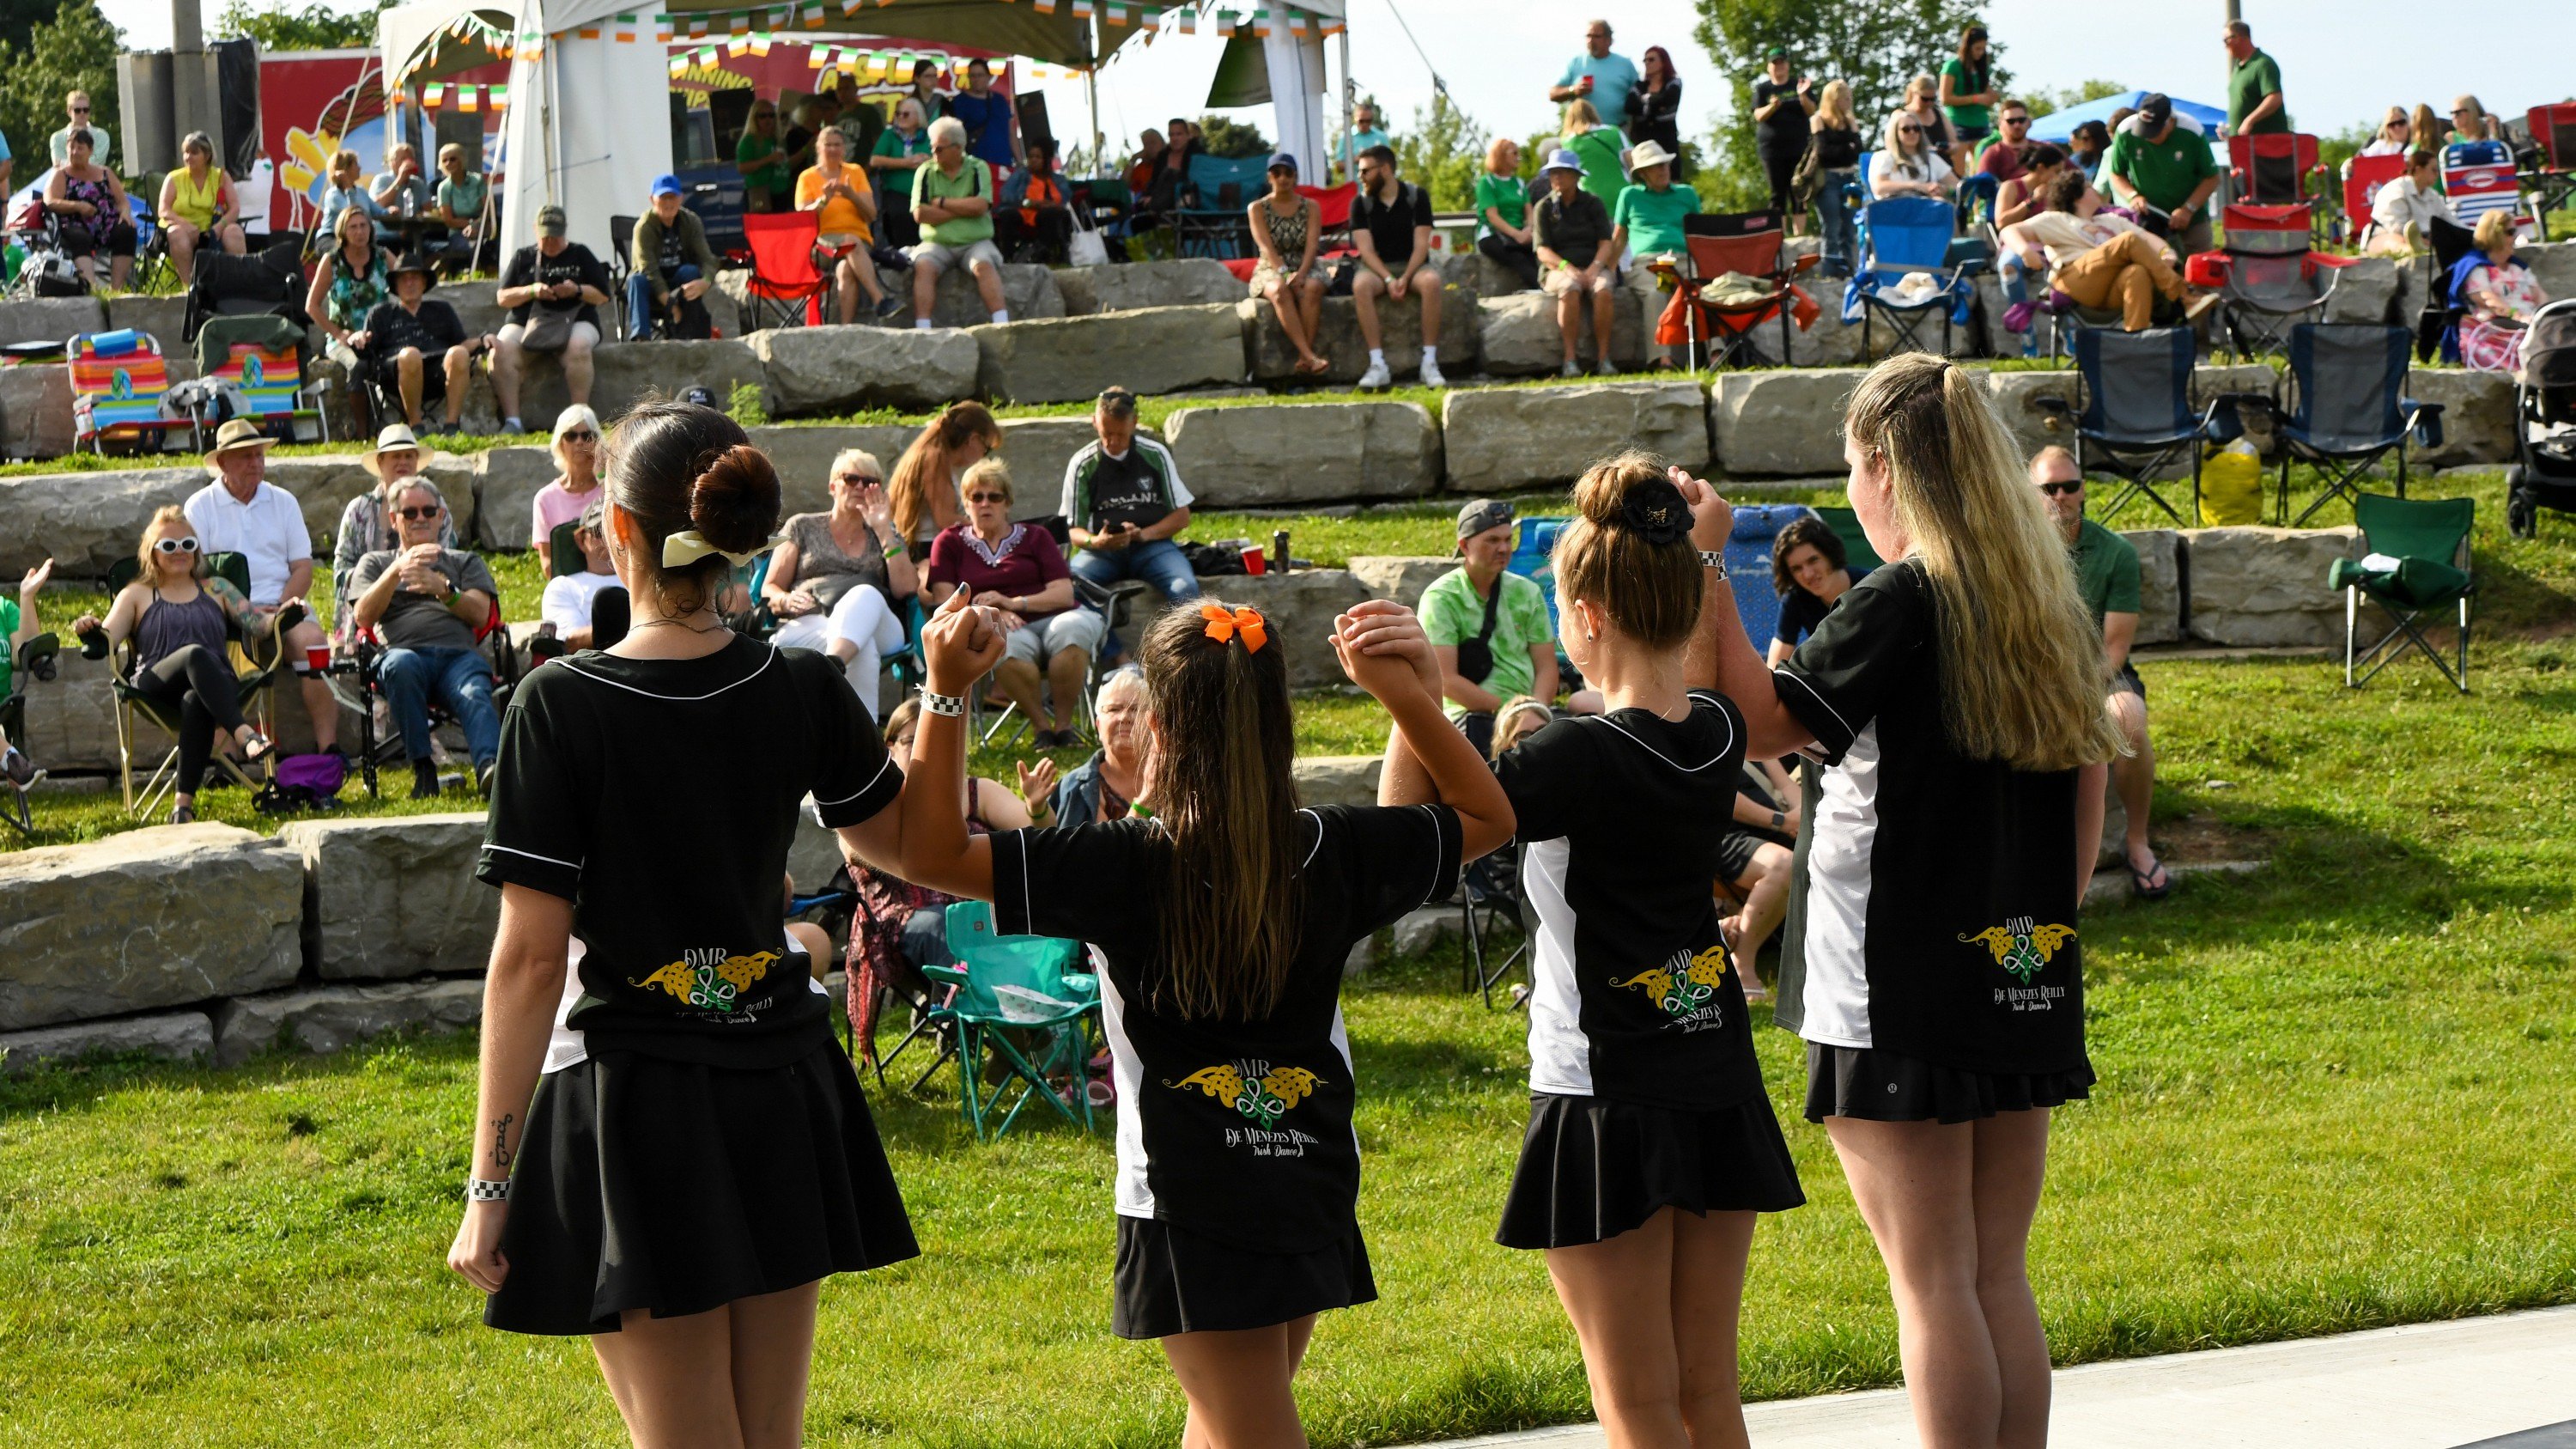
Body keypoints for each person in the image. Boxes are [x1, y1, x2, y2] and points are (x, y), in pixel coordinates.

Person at [893, 577, 1511, 1446]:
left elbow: (928, 852)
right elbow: (1487, 815)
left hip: (1190, 1199)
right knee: (1228, 1421)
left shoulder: (1122, 863)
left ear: (1161, 729)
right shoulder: (1330, 848)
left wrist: (946, 691)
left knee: (1246, 1425)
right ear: (1280, 722)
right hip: (1306, 1172)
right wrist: (1410, 696)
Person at [449, 403, 919, 1449]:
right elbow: (912, 846)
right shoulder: (799, 682)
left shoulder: (559, 703)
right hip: (780, 1085)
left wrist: (488, 1185)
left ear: (617, 528)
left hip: (638, 1103)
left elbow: (528, 962)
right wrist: (952, 700)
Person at [1696, 352, 2118, 1449]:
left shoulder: (1903, 595)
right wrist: (2043, 920)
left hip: (1893, 979)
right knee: (1996, 1273)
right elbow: (2092, 781)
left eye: (1851, 467)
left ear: (1886, 467)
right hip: (2020, 966)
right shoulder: (2042, 592)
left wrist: (1707, 566)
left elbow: (1765, 721)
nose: (1849, 492)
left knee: (1933, 1282)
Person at [1382, 455, 1804, 1449]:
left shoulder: (1568, 757)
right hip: (1713, 1072)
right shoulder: (1714, 731)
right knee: (1708, 1393)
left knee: (1639, 1402)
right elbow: (1689, 675)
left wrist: (1410, 701)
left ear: (1584, 616)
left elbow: (1407, 843)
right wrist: (1704, 555)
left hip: (1603, 1088)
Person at [844, 696, 1054, 1037]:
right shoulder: (874, 803)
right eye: (912, 741)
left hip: (977, 914)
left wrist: (1037, 808)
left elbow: (1041, 840)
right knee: (945, 924)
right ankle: (1008, 1028)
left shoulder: (976, 791)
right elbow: (854, 850)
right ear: (889, 747)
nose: (924, 750)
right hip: (905, 920)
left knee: (1012, 913)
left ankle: (1024, 1020)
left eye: (934, 739)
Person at [71, 509, 276, 823]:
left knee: (195, 699)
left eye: (187, 544)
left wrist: (286, 614)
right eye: (169, 545)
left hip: (215, 688)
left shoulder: (218, 588)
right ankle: (244, 734)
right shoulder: (136, 594)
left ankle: (182, 808)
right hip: (156, 687)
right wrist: (89, 628)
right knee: (194, 654)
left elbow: (260, 626)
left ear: (196, 549)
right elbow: (107, 639)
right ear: (152, 553)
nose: (180, 551)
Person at [2029, 447, 2166, 902]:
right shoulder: (2013, 551)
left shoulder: (2116, 552)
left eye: (2070, 486)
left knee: (2129, 718)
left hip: (2098, 675)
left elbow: (2115, 649)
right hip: (2029, 675)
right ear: (2030, 493)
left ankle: (2137, 841)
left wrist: (2071, 692)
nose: (2061, 496)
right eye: (2049, 488)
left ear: (2084, 490)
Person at [182, 421, 339, 758]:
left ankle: (329, 748)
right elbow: (196, 574)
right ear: (222, 462)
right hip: (225, 612)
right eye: (245, 457)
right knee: (206, 656)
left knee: (313, 644)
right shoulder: (200, 506)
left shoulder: (283, 501)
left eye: (259, 455)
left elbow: (303, 567)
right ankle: (227, 759)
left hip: (280, 606)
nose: (256, 463)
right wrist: (244, 610)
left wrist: (282, 608)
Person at [926, 460, 1098, 747]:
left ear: (1007, 503)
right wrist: (993, 613)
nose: (985, 504)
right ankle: (1042, 729)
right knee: (1002, 643)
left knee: (1073, 629)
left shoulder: (1036, 536)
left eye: (994, 496)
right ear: (966, 504)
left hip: (1053, 616)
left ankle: (1065, 727)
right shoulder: (948, 543)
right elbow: (946, 603)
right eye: (976, 497)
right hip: (992, 626)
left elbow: (1063, 594)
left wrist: (1012, 603)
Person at [350, 480, 502, 797]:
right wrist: (396, 571)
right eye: (410, 512)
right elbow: (363, 616)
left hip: (457, 657)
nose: (420, 518)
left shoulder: (464, 561)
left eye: (428, 511)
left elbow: (480, 614)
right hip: (402, 655)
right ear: (394, 520)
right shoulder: (375, 563)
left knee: (474, 690)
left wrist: (444, 590)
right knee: (402, 664)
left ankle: (491, 771)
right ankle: (423, 769)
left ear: (440, 516)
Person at [767, 447, 914, 715]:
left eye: (869, 482)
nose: (860, 487)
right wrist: (785, 599)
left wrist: (883, 530)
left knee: (864, 593)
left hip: (881, 624)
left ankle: (830, 668)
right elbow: (770, 587)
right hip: (810, 619)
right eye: (851, 479)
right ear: (833, 486)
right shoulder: (802, 526)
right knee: (862, 648)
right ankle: (863, 737)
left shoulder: (886, 532)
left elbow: (906, 589)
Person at [1421, 499, 1558, 758]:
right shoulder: (1441, 597)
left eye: (1508, 540)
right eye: (1492, 540)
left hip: (1528, 715)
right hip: (1470, 715)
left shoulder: (1527, 591)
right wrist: (1509, 712)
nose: (1504, 548)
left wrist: (1535, 710)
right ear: (1464, 546)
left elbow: (1547, 667)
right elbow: (1445, 680)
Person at [2008, 170, 2217, 332]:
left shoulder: (2111, 220)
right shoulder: (2056, 219)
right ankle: (2183, 296)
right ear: (2077, 196)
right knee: (2127, 241)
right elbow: (2010, 231)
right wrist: (2025, 251)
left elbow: (2148, 239)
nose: (2096, 190)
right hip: (2076, 281)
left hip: (2110, 289)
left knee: (2137, 273)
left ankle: (2136, 345)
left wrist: (2165, 252)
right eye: (2089, 187)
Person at [1062, 387, 1202, 606]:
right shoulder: (1082, 465)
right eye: (1106, 434)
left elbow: (1182, 516)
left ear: (1134, 423)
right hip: (1102, 553)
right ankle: (1104, 629)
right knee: (1070, 587)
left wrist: (1144, 535)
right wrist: (1096, 541)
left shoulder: (1155, 455)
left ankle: (1178, 631)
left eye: (1121, 435)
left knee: (1185, 589)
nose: (1113, 442)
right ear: (1095, 422)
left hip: (1154, 547)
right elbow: (1073, 530)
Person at [333, 423, 460, 643]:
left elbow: (448, 558)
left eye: (409, 456)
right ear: (380, 462)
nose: (403, 462)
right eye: (396, 456)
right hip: (370, 599)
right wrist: (377, 578)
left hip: (425, 599)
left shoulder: (436, 506)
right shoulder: (358, 510)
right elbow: (341, 568)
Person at [495, 204, 610, 434]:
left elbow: (603, 296)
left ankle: (580, 419)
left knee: (578, 346)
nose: (550, 242)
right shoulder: (523, 257)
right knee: (500, 349)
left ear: (565, 231)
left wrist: (576, 290)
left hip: (575, 319)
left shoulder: (581, 253)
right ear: (535, 230)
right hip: (527, 322)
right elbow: (502, 297)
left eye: (555, 237)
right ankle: (512, 421)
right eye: (545, 237)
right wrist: (531, 291)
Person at [1346, 145, 1446, 391]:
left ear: (1385, 169)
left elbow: (1421, 245)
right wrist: (1389, 279)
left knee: (1432, 282)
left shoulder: (1417, 196)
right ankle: (1377, 364)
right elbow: (1366, 251)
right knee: (1360, 285)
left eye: (1366, 171)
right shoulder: (1359, 203)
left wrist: (1406, 277)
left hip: (1413, 266)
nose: (1360, 177)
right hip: (1378, 268)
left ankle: (1429, 362)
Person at [361, 254, 489, 435]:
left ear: (424, 283)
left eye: (414, 278)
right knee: (411, 355)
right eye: (403, 279)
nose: (409, 283)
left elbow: (462, 343)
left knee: (459, 353)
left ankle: (452, 427)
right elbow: (365, 349)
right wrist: (358, 339)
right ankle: (416, 427)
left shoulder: (442, 310)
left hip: (437, 374)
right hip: (395, 376)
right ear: (396, 285)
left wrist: (482, 340)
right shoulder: (381, 313)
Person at [910, 116, 1010, 329]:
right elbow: (920, 214)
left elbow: (981, 206)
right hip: (936, 243)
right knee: (924, 266)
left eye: (939, 149)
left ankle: (1002, 324)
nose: (934, 153)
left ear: (958, 148)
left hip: (975, 242)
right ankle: (922, 328)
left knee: (983, 265)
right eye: (932, 148)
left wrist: (942, 203)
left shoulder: (978, 168)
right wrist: (964, 209)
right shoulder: (925, 171)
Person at [1534, 147, 1619, 378]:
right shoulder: (1544, 207)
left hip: (1593, 265)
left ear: (1575, 176)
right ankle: (1570, 360)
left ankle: (1604, 359)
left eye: (1561, 172)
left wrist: (1594, 269)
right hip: (1558, 269)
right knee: (1569, 287)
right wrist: (1568, 269)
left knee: (1603, 289)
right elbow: (1542, 250)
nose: (1556, 178)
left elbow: (1606, 243)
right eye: (1553, 173)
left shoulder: (1593, 203)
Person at [799, 129, 900, 321]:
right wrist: (823, 201)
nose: (833, 149)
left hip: (859, 243)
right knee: (850, 240)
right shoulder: (807, 177)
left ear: (844, 149)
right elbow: (802, 219)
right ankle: (880, 300)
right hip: (822, 245)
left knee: (846, 269)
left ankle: (846, 329)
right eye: (828, 145)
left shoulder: (855, 172)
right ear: (819, 148)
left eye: (837, 145)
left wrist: (851, 195)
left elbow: (871, 215)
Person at [2103, 94, 2220, 257]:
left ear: (2170, 122)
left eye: (2154, 131)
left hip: (2193, 219)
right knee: (2153, 265)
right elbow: (2116, 174)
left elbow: (2212, 177)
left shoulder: (2192, 130)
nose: (2148, 137)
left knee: (2202, 265)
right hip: (2149, 218)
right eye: (2144, 130)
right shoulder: (2125, 131)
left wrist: (2188, 209)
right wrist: (2133, 196)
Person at [1244, 152, 1329, 375]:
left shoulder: (1311, 207)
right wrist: (1284, 273)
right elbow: (1265, 246)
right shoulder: (1257, 208)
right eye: (1277, 173)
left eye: (1288, 173)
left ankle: (1304, 357)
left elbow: (1312, 244)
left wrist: (1301, 273)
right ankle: (1309, 355)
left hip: (1305, 264)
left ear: (1296, 176)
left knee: (1312, 287)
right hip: (1271, 265)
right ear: (1269, 177)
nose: (1283, 178)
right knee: (1279, 291)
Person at [890, 400, 1001, 549]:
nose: (983, 455)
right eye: (986, 448)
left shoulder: (929, 452)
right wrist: (987, 530)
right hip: (927, 547)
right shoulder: (935, 460)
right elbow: (945, 520)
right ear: (973, 440)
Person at [1048, 664, 1146, 825]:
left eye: (1135, 709)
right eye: (1114, 709)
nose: (1124, 718)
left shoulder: (1178, 782)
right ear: (1099, 726)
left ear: (1155, 722)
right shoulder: (1073, 787)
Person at [623, 178, 717, 344]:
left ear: (680, 198)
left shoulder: (691, 221)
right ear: (652, 199)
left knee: (690, 271)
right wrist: (673, 308)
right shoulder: (644, 227)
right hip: (651, 288)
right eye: (663, 198)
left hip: (678, 285)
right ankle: (641, 340)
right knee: (635, 280)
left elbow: (708, 259)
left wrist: (706, 281)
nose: (668, 203)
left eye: (672, 197)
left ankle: (691, 334)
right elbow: (649, 271)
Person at [2454, 210, 2548, 373]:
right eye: (2510, 232)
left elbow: (2540, 295)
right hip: (2499, 325)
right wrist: (2518, 316)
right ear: (2494, 234)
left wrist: (2548, 315)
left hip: (2530, 322)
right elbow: (2488, 300)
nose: (2515, 236)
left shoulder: (2518, 267)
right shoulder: (2476, 266)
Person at [1765, 514, 1863, 667]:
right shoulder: (1795, 598)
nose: (1808, 574)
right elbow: (1775, 664)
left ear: (1830, 554)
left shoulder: (1872, 587)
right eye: (1797, 568)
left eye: (1813, 560)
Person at [43, 131, 132, 289]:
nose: (75, 152)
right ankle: (91, 287)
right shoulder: (60, 174)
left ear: (90, 151)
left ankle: (116, 289)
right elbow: (50, 201)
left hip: (106, 223)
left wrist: (125, 212)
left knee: (127, 231)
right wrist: (77, 206)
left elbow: (122, 202)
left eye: (80, 148)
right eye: (71, 148)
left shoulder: (105, 173)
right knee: (79, 237)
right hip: (74, 223)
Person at [309, 206, 392, 377]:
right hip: (345, 341)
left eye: (363, 226)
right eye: (353, 227)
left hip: (380, 337)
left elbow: (406, 285)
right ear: (343, 232)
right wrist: (338, 333)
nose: (359, 232)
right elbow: (311, 306)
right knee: (360, 366)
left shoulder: (383, 256)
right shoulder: (332, 261)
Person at [157, 131, 246, 284]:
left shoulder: (221, 177)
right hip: (183, 228)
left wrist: (220, 226)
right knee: (176, 233)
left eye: (194, 153)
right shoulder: (173, 178)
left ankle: (239, 284)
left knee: (234, 231)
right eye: (186, 152)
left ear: (207, 155)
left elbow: (235, 208)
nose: (188, 157)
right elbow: (163, 210)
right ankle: (189, 287)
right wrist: (186, 225)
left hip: (214, 227)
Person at [539, 496, 626, 650]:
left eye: (616, 528)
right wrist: (632, 629)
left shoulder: (646, 578)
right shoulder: (563, 587)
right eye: (601, 530)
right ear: (580, 539)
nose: (611, 537)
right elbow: (571, 642)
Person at [530, 406, 606, 573]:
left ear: (597, 442)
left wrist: (603, 478)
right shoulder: (545, 498)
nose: (579, 442)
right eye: (571, 436)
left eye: (587, 436)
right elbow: (548, 563)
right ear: (561, 444)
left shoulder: (608, 489)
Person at [1, 558, 52, 786]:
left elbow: (21, 656)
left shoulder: (3, 609)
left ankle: (11, 760)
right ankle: (12, 761)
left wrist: (27, 597)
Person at [1806, 80, 1865, 274]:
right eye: (1845, 98)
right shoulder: (1818, 120)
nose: (1849, 102)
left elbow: (1859, 150)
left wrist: (1844, 148)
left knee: (1849, 227)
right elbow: (1823, 152)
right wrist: (1847, 147)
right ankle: (1829, 270)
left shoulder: (1850, 121)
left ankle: (1849, 269)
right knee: (1831, 226)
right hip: (1829, 179)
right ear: (1834, 99)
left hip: (1850, 179)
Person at [1750, 46, 1815, 222]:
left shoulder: (1799, 84)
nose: (1779, 66)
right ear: (1768, 67)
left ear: (1788, 65)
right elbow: (1758, 115)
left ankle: (1799, 233)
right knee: (1777, 193)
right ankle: (1779, 232)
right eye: (1775, 63)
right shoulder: (1763, 89)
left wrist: (1802, 95)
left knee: (1798, 190)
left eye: (1782, 62)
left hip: (1798, 146)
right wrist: (1772, 106)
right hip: (1772, 149)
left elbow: (1811, 110)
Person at [1474, 137, 1540, 292]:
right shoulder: (1486, 183)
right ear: (1501, 155)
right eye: (1514, 153)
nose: (1519, 157)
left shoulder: (1519, 183)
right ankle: (1541, 288)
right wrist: (1517, 235)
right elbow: (1492, 216)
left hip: (1520, 233)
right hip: (1494, 235)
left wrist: (1529, 229)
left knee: (1536, 255)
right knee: (1518, 258)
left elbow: (1529, 210)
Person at [2363, 149, 2455, 258]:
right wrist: (2423, 241)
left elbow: (2453, 222)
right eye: (2434, 170)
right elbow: (2397, 228)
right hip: (2383, 237)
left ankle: (2419, 248)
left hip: (2425, 240)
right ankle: (2410, 250)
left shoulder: (2434, 196)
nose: (2437, 174)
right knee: (2396, 242)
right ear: (2418, 170)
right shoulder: (2396, 190)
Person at [995, 140, 1074, 265]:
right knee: (1007, 215)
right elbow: (1006, 194)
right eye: (1031, 156)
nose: (1033, 160)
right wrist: (1029, 203)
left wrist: (1050, 205)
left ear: (1046, 159)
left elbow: (1064, 198)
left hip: (1046, 213)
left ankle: (1044, 254)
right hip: (1023, 211)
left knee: (1051, 214)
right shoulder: (1021, 175)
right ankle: (1007, 257)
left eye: (1038, 157)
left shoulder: (1057, 179)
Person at [1551, 19, 1640, 130]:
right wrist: (1573, 90)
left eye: (1596, 36)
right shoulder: (1576, 63)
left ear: (1608, 40)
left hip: (1617, 130)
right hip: (1582, 132)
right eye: (1588, 36)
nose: (1591, 40)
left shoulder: (1625, 64)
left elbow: (1639, 95)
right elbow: (1553, 94)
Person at [872, 97, 934, 249]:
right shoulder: (890, 135)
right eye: (898, 114)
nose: (900, 117)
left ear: (918, 116)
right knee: (899, 220)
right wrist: (906, 163)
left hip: (925, 194)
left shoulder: (929, 136)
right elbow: (874, 160)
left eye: (906, 114)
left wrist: (928, 161)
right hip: (896, 194)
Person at [949, 58, 1021, 174]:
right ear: (968, 77)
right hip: (974, 166)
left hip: (1003, 165)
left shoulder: (1000, 100)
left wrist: (1020, 162)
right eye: (973, 76)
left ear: (989, 77)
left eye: (980, 75)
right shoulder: (960, 102)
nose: (976, 79)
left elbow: (1011, 132)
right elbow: (955, 136)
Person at [1869, 109, 1958, 201]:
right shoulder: (1884, 157)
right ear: (1895, 132)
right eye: (1906, 129)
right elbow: (1879, 188)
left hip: (1926, 206)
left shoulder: (1931, 158)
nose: (1912, 132)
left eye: (1916, 128)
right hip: (1893, 206)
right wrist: (1915, 185)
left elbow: (1957, 186)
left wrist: (1944, 189)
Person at [432, 143, 493, 273]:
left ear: (462, 160)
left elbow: (487, 210)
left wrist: (476, 226)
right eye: (444, 160)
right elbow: (448, 220)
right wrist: (470, 225)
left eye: (453, 159)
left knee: (490, 245)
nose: (448, 163)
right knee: (472, 246)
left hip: (483, 227)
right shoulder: (444, 188)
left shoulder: (478, 180)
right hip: (458, 233)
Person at [1561, 99, 1628, 215]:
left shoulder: (1568, 142)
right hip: (1622, 195)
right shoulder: (1614, 131)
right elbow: (1631, 160)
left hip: (1590, 200)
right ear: (1592, 112)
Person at [1941, 27, 2000, 154]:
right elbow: (1945, 99)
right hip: (1958, 124)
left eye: (1983, 48)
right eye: (1977, 48)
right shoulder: (1952, 66)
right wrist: (1975, 99)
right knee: (1958, 166)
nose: (1981, 52)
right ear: (1967, 47)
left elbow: (1987, 92)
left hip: (1981, 123)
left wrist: (1992, 98)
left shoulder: (1983, 68)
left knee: (1982, 164)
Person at [1624, 46, 1685, 168]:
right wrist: (1653, 104)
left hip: (1666, 143)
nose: (1647, 63)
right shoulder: (1639, 86)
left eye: (1651, 60)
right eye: (1645, 60)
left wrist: (1643, 103)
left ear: (1663, 62)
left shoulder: (1674, 83)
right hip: (1641, 143)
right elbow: (1629, 107)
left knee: (1669, 174)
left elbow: (1668, 101)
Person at [2224, 21, 2287, 137]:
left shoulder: (2263, 64)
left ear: (2241, 37)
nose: (2225, 45)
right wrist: (2232, 128)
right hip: (2243, 143)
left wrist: (2250, 120)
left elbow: (2274, 98)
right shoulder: (2238, 68)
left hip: (2265, 142)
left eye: (2226, 40)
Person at [317, 148, 390, 246]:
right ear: (345, 169)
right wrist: (348, 186)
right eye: (356, 164)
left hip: (356, 236)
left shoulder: (361, 191)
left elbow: (377, 211)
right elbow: (352, 213)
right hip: (332, 236)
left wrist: (389, 212)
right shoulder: (333, 194)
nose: (360, 168)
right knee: (344, 250)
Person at [736, 95, 793, 213]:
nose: (768, 119)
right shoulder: (748, 141)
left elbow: (787, 163)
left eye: (771, 115)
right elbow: (742, 168)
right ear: (754, 119)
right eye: (763, 116)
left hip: (782, 191)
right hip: (760, 192)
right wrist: (768, 160)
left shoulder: (779, 139)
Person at [1993, 140, 2063, 230]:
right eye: (2057, 172)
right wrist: (2032, 201)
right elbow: (2001, 223)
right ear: (2041, 168)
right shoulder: (2010, 187)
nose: (2060, 177)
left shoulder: (2053, 191)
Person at [1900, 76, 1958, 174]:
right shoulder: (1901, 115)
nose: (1929, 103)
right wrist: (1926, 150)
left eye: (1933, 99)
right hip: (1917, 170)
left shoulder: (1938, 114)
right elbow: (1895, 145)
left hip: (1944, 170)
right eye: (1925, 99)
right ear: (1914, 93)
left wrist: (1948, 148)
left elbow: (1955, 144)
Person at [1979, 101, 2037, 189]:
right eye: (2011, 121)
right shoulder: (1993, 153)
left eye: (2021, 120)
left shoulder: (2045, 148)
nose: (2017, 125)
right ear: (2001, 124)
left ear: (2029, 122)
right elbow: (1983, 189)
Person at [49, 90, 111, 167]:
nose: (82, 113)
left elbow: (97, 163)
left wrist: (67, 163)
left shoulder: (102, 136)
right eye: (77, 110)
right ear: (69, 112)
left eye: (86, 110)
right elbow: (58, 164)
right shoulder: (57, 138)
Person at [905, 57, 949, 125]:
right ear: (917, 78)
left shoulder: (943, 101)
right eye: (928, 76)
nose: (933, 79)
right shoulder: (908, 104)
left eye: (935, 75)